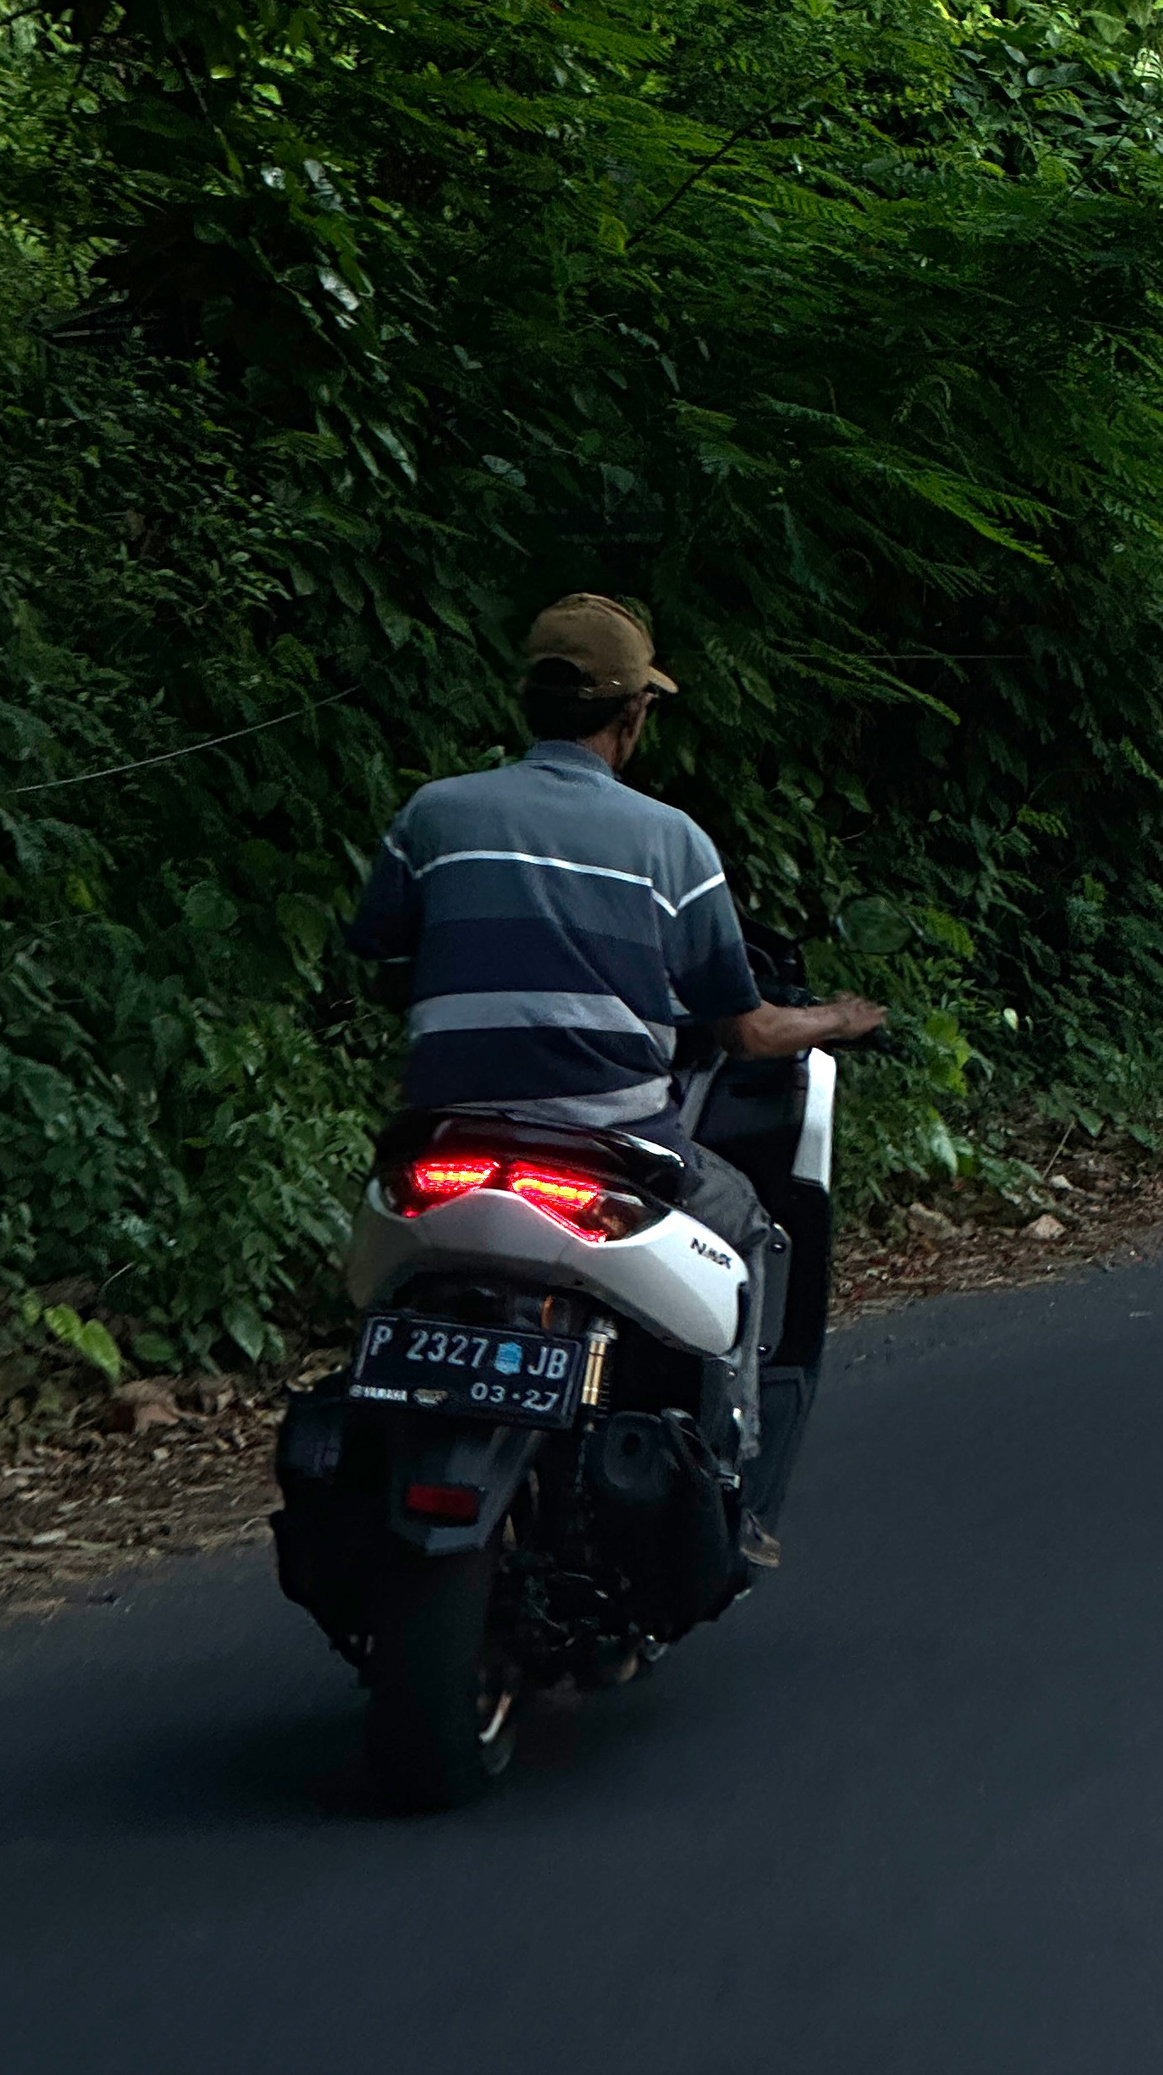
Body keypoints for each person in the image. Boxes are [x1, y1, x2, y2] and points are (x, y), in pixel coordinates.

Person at [345, 593, 884, 1485]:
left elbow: (380, 953)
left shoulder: (433, 813)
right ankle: (732, 1459)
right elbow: (747, 1029)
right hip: (610, 1144)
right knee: (748, 1229)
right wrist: (840, 1018)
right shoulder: (672, 842)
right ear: (632, 716)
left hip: (445, 1134)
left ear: (528, 701)